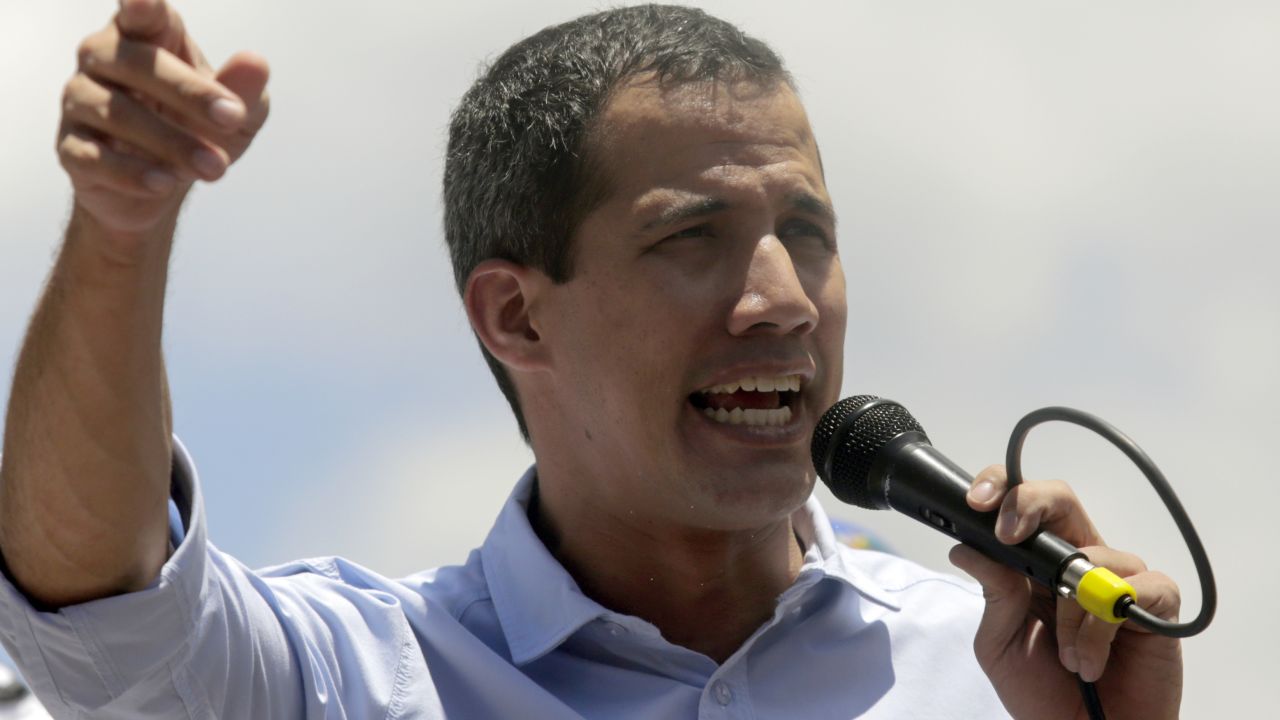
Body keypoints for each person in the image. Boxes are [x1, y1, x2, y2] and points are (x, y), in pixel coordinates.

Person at [0, 0, 1183, 717]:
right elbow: (103, 617)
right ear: (514, 317)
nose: (781, 301)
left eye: (806, 234)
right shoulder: (352, 678)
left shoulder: (1000, 673)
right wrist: (120, 231)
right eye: (691, 239)